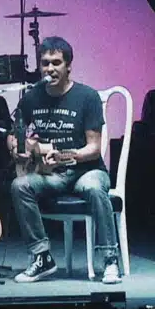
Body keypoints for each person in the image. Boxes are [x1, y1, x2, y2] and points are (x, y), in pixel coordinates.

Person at [8, 36, 121, 284]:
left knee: (94, 188)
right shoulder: (31, 97)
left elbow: (94, 149)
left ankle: (110, 259)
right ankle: (42, 257)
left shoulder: (87, 96)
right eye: (45, 63)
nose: (50, 69)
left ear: (68, 66)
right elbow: (13, 134)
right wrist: (18, 149)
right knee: (20, 186)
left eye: (56, 63)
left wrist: (62, 156)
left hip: (86, 170)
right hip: (52, 175)